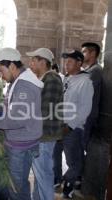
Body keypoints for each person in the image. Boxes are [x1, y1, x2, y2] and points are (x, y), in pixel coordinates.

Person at [0, 48, 44, 199]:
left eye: (1, 70)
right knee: (18, 183)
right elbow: (13, 106)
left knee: (16, 188)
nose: (1, 76)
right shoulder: (17, 82)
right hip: (21, 141)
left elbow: (17, 119)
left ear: (12, 66)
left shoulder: (24, 85)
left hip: (21, 145)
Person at [26, 48, 63, 200]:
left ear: (43, 62)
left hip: (44, 134)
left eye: (33, 60)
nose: (30, 64)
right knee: (40, 174)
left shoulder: (51, 78)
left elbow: (45, 108)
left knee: (44, 175)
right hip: (41, 133)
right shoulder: (43, 79)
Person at [60, 50, 93, 199]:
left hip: (72, 129)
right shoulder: (67, 79)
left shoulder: (85, 82)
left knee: (75, 162)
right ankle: (60, 181)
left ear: (79, 63)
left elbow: (85, 108)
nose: (66, 64)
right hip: (60, 126)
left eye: (70, 62)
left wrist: (71, 126)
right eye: (66, 61)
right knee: (64, 159)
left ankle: (68, 186)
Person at [81, 42, 109, 200]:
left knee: (85, 152)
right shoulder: (90, 71)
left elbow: (87, 95)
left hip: (89, 118)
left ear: (92, 54)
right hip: (87, 117)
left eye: (84, 52)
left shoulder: (96, 71)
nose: (82, 54)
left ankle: (89, 187)